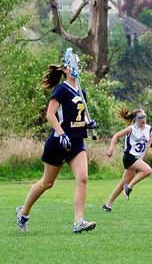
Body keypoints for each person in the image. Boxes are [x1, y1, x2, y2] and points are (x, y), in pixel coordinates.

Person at [16, 49, 97, 233]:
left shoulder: (81, 91)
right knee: (47, 183)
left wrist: (88, 123)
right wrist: (61, 134)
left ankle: (79, 221)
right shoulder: (61, 89)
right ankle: (23, 213)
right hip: (59, 142)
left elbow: (77, 117)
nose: (79, 68)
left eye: (80, 65)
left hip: (76, 142)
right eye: (75, 64)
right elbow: (50, 115)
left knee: (83, 178)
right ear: (67, 69)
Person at [102, 108, 152, 212]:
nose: (143, 119)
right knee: (147, 170)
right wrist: (111, 149)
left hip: (138, 158)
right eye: (140, 118)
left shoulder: (150, 129)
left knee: (123, 182)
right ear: (135, 119)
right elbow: (116, 136)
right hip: (129, 157)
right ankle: (129, 187)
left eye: (144, 117)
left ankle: (107, 204)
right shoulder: (131, 128)